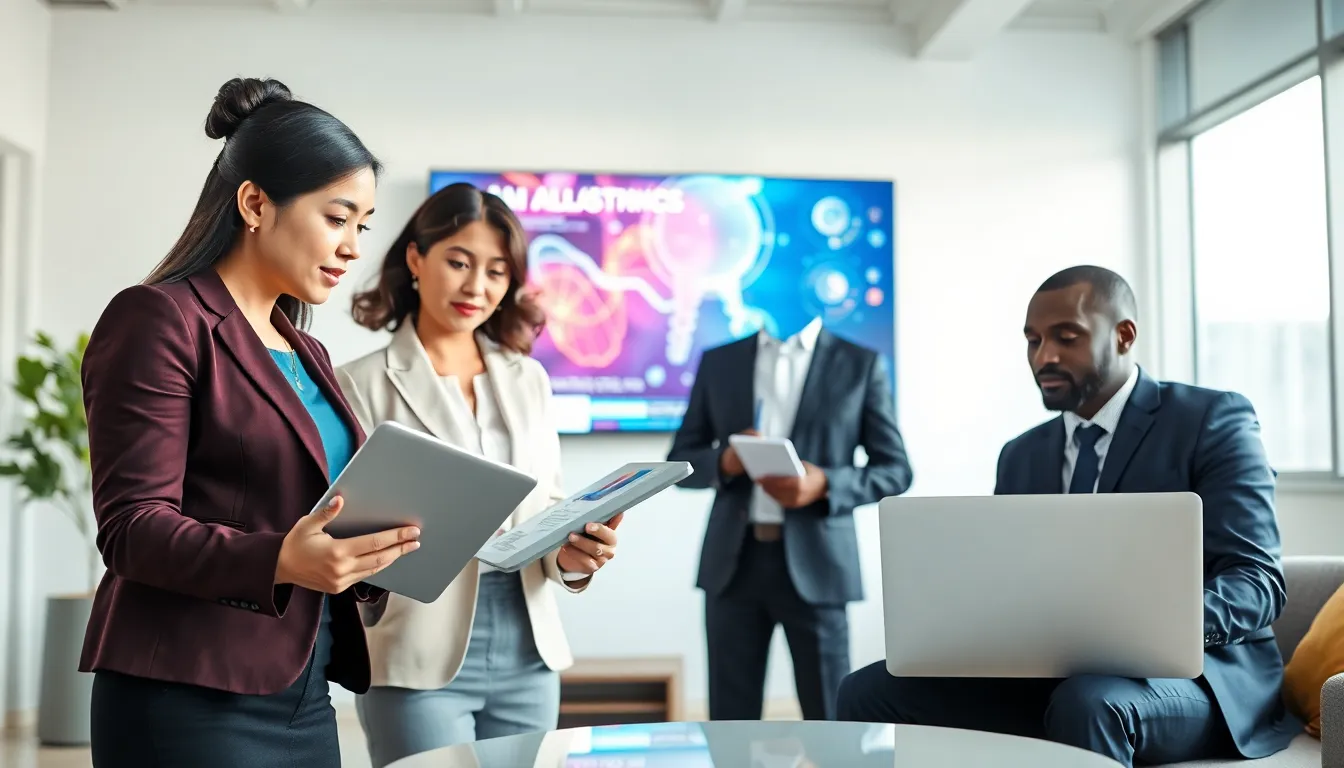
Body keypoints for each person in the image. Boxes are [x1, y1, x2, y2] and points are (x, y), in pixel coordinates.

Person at [79, 77, 421, 766]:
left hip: (302, 690)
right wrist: (282, 559)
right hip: (185, 695)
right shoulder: (159, 320)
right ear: (255, 203)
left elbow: (306, 510)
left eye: (363, 224)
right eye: (337, 217)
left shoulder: (307, 349)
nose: (354, 246)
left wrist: (373, 552)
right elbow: (132, 528)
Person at [835, 265, 1302, 767]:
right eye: (1032, 340)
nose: (1044, 357)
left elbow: (1256, 582)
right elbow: (1011, 583)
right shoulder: (1022, 454)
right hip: (1052, 676)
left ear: (1124, 336)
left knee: (1089, 701)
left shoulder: (1212, 420)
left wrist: (1156, 630)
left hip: (1200, 679)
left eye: (1067, 337)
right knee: (867, 690)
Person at [336, 182, 622, 768]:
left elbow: (551, 504)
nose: (476, 287)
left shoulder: (528, 379)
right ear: (416, 260)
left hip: (529, 648)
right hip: (417, 647)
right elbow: (345, 527)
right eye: (458, 262)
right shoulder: (358, 382)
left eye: (496, 271)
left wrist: (574, 555)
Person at [667, 315, 914, 722]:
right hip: (733, 566)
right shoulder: (720, 361)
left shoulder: (860, 363)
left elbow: (895, 470)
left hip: (819, 567)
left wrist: (825, 484)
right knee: (730, 719)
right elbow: (679, 459)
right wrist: (725, 462)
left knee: (832, 717)